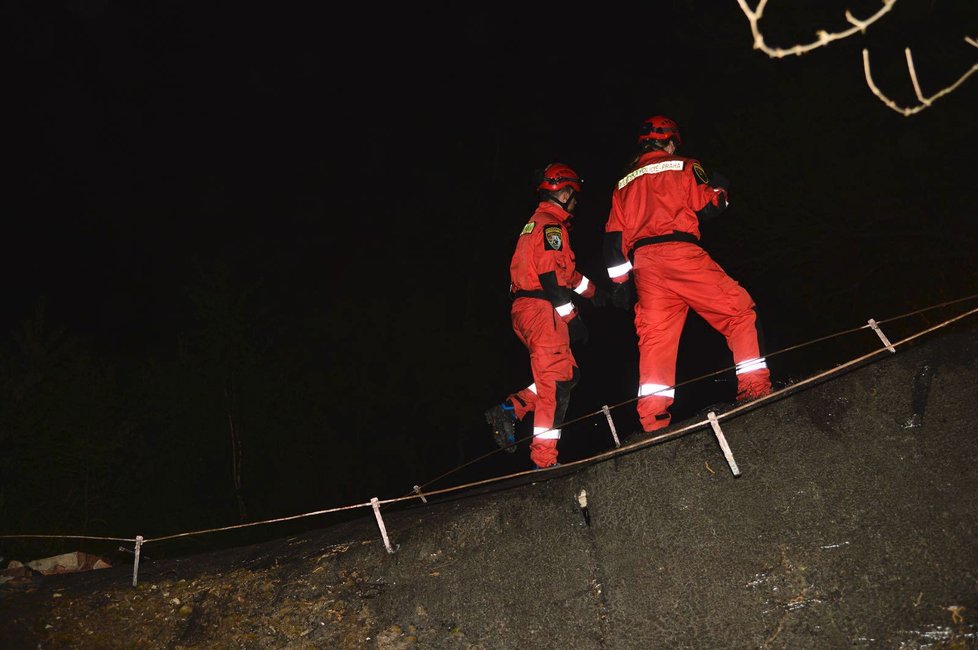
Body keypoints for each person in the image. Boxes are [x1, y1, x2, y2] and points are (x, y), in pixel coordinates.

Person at [603, 115, 771, 433]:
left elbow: (613, 243)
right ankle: (755, 391)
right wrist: (721, 187)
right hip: (681, 254)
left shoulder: (623, 184)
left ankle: (652, 421)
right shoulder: (683, 165)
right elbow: (710, 207)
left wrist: (620, 284)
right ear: (669, 141)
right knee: (738, 312)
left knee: (655, 342)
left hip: (646, 268)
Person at [485, 162, 607, 469]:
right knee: (554, 383)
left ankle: (513, 408)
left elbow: (567, 274)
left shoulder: (537, 224)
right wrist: (572, 317)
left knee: (567, 375)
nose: (576, 202)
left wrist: (596, 293)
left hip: (527, 309)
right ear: (564, 193)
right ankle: (544, 461)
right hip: (542, 310)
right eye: (574, 195)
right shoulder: (552, 227)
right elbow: (552, 278)